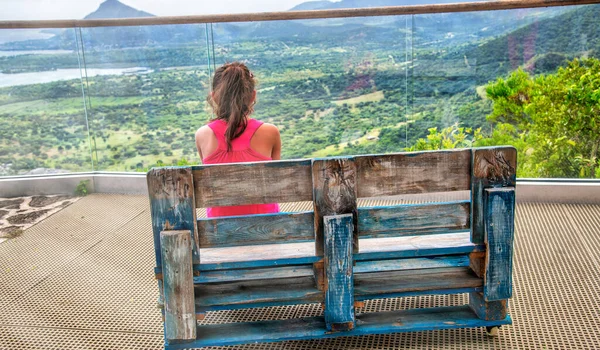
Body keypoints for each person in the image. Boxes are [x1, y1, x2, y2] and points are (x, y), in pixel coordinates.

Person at [195, 62, 281, 218]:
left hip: (218, 232)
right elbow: (274, 183)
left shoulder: (202, 135)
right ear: (253, 96)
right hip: (269, 228)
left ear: (214, 97)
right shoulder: (270, 132)